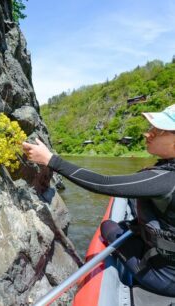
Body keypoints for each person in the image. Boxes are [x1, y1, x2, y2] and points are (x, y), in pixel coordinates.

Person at [22, 104, 175, 296]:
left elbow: (105, 183)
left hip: (165, 277)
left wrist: (51, 160)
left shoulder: (166, 179)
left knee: (109, 226)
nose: (147, 134)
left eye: (158, 130)